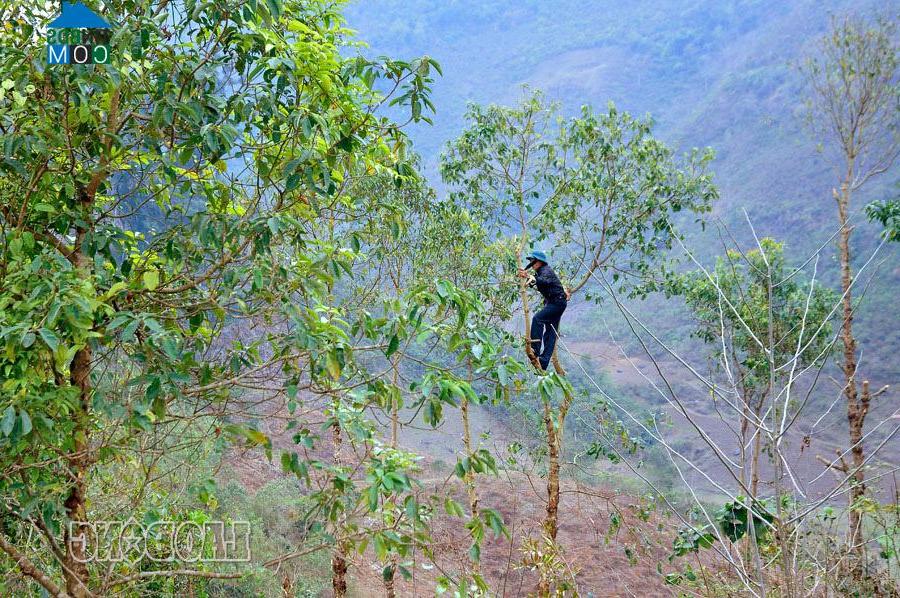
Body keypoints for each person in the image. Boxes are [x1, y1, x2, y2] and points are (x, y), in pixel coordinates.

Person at [517, 249, 569, 370]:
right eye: (530, 261)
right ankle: (543, 362)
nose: (531, 262)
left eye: (532, 260)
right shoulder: (540, 272)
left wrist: (529, 276)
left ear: (539, 261)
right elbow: (538, 282)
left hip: (557, 303)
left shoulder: (545, 271)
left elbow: (543, 280)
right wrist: (527, 276)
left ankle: (535, 349)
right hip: (556, 302)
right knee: (551, 333)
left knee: (538, 319)